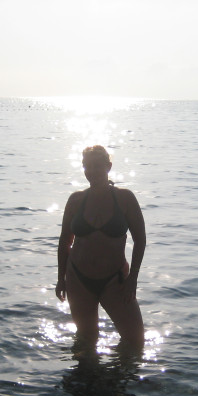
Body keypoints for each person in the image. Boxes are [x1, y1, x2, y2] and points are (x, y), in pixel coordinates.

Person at [55, 145, 145, 351]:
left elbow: (140, 240)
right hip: (78, 278)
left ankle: (122, 371)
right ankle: (87, 371)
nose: (92, 171)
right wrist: (61, 278)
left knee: (135, 340)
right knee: (86, 340)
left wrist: (133, 278)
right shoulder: (76, 200)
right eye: (87, 166)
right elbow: (64, 241)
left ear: (108, 167)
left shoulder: (125, 198)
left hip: (115, 280)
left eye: (97, 166)